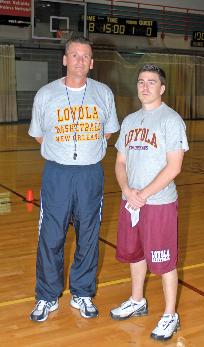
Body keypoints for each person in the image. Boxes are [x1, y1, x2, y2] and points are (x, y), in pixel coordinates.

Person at [28, 35, 120, 322]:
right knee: (51, 237)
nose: (80, 61)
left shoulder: (104, 93)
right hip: (57, 174)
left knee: (89, 236)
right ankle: (46, 296)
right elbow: (40, 135)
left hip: (90, 175)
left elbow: (107, 132)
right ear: (65, 59)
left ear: (91, 63)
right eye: (74, 55)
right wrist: (64, 152)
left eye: (85, 56)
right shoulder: (45, 94)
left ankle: (82, 293)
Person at [110, 64, 189, 341]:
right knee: (136, 253)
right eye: (141, 81)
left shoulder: (171, 120)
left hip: (159, 204)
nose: (145, 86)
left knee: (164, 261)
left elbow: (174, 167)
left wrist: (143, 194)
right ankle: (137, 300)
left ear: (162, 88)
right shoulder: (130, 121)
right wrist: (127, 189)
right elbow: (120, 162)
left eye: (152, 82)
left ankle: (170, 314)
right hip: (130, 201)